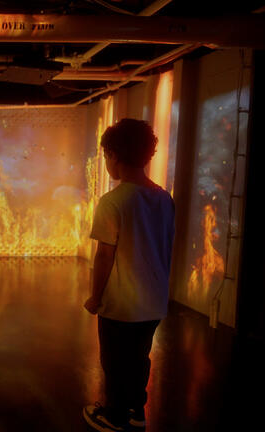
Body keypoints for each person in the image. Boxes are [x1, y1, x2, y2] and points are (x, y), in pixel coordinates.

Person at [82, 119, 175, 432]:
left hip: (121, 304)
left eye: (106, 155)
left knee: (115, 362)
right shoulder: (164, 199)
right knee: (139, 358)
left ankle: (115, 416)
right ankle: (137, 410)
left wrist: (95, 297)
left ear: (113, 156)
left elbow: (104, 255)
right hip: (154, 302)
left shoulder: (113, 202)